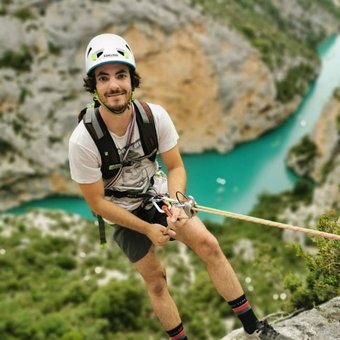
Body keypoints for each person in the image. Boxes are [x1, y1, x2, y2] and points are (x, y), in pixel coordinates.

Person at [68, 33, 291, 340]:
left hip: (158, 195)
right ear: (94, 86)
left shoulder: (153, 117)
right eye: (103, 78)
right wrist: (147, 230)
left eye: (121, 75)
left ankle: (255, 329)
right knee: (157, 280)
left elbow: (175, 167)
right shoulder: (83, 140)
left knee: (209, 246)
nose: (114, 85)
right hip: (121, 212)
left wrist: (175, 202)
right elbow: (97, 203)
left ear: (132, 80)